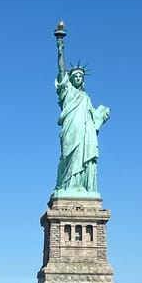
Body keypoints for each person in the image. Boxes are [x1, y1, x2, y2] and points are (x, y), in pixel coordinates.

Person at [53, 22, 110, 195]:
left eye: (80, 76)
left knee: (83, 157)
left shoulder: (86, 98)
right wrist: (60, 48)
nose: (77, 78)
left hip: (84, 133)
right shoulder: (67, 91)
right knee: (68, 156)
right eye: (75, 76)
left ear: (83, 80)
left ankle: (82, 187)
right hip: (71, 129)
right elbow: (62, 70)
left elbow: (94, 119)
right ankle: (67, 186)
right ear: (71, 79)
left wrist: (101, 116)